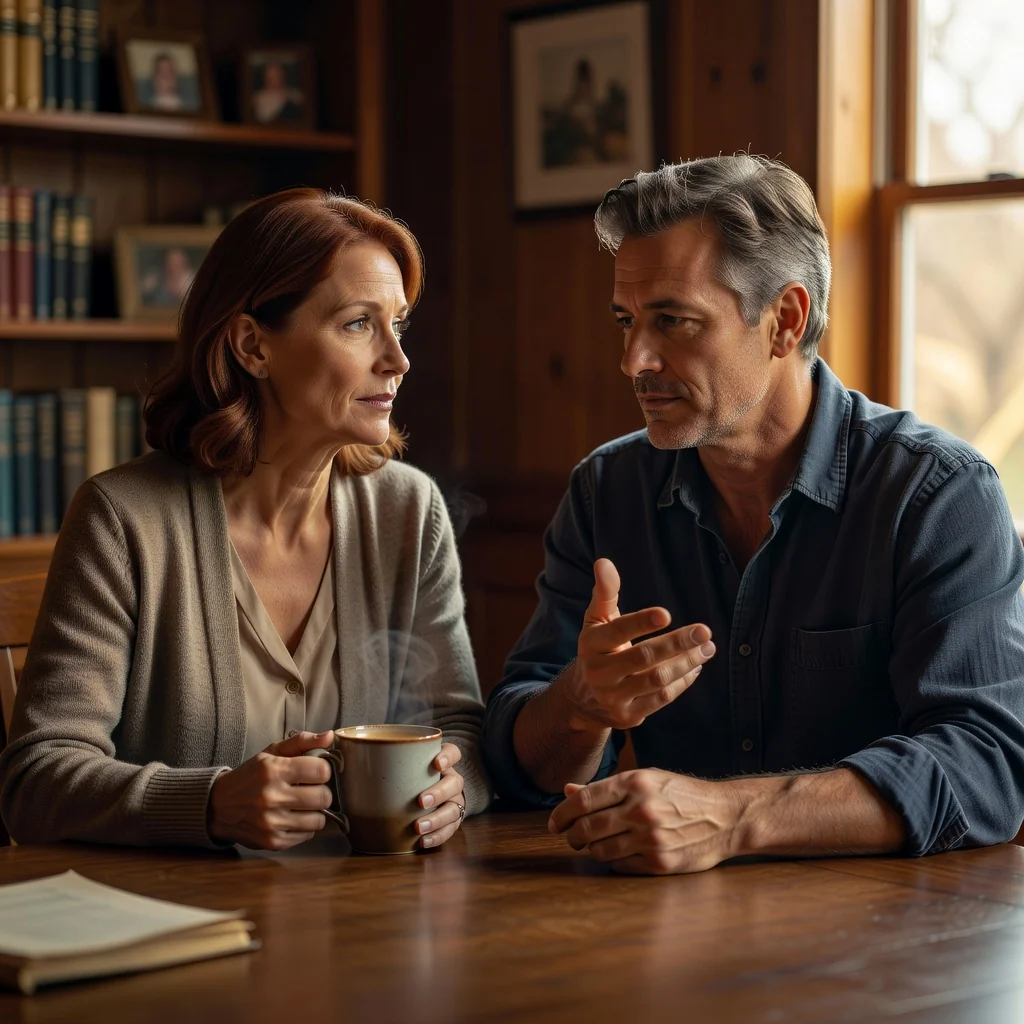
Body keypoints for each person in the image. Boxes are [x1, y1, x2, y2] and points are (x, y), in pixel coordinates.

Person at [482, 154, 1024, 875]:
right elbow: (523, 765)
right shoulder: (607, 491)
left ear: (785, 320)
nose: (633, 359)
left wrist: (731, 818)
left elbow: (987, 764)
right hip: (657, 941)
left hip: (896, 950)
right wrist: (581, 704)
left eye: (673, 321)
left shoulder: (937, 495)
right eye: (627, 321)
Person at [0, 188, 490, 850]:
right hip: (176, 928)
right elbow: (36, 780)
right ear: (252, 346)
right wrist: (207, 804)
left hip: (369, 924)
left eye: (398, 325)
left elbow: (458, 727)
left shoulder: (408, 510)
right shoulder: (124, 521)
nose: (397, 361)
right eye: (356, 324)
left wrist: (451, 790)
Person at [252, 59, 304, 124]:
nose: (274, 80)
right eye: (270, 78)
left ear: (283, 76)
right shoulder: (260, 97)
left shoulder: (295, 94)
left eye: (277, 76)